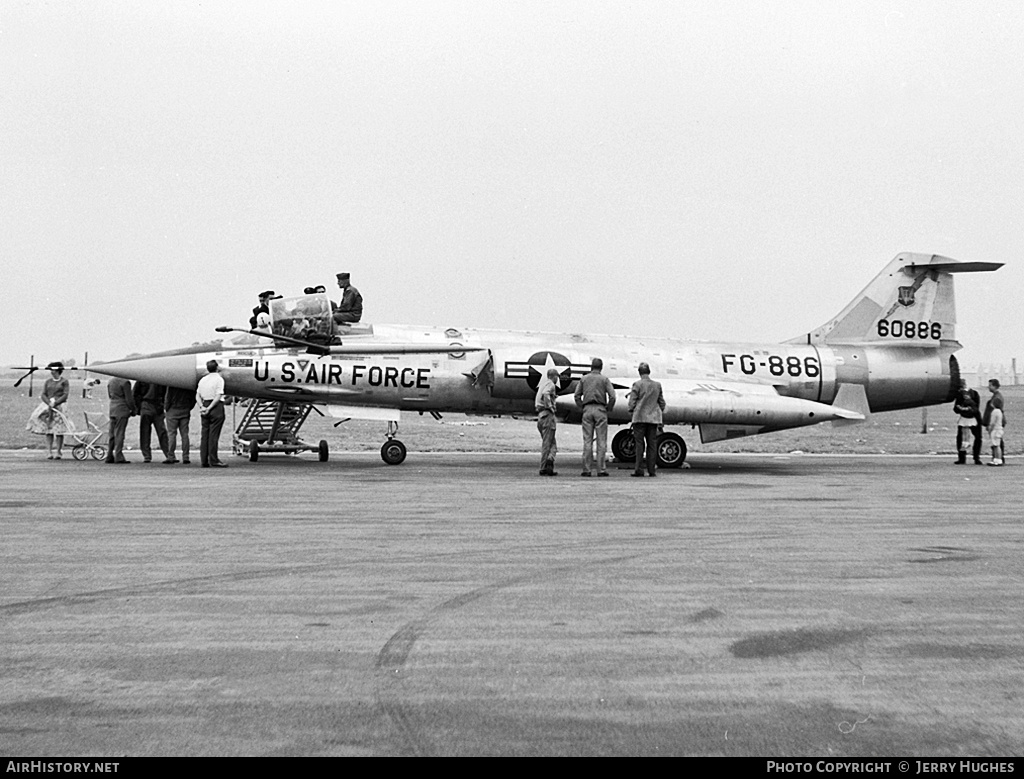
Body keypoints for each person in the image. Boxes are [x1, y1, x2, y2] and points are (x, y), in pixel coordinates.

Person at [574, 357, 616, 476]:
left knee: (587, 441)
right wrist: (609, 408)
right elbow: (612, 396)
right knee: (601, 441)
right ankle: (601, 469)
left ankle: (586, 469)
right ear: (601, 367)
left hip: (587, 409)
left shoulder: (584, 379)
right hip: (600, 409)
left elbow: (577, 395)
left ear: (591, 367)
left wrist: (581, 407)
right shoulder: (604, 379)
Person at [25, 361, 71, 459]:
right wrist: (49, 403)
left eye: (53, 370)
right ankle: (49, 451)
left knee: (59, 431)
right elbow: (43, 394)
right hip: (48, 405)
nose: (51, 372)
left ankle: (58, 451)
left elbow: (65, 394)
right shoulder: (48, 381)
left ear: (58, 371)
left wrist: (56, 402)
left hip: (60, 406)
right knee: (49, 430)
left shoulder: (64, 381)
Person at [627, 362, 666, 477]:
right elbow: (662, 402)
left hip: (639, 418)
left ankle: (639, 470)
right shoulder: (657, 385)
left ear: (639, 372)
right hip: (653, 419)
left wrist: (631, 411)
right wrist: (659, 411)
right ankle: (651, 470)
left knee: (639, 444)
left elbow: (632, 402)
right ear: (649, 372)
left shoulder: (637, 385)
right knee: (652, 444)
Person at [197, 360, 228, 468]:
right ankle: (213, 459)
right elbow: (218, 396)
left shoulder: (203, 380)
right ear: (217, 368)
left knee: (204, 435)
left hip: (204, 404)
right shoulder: (219, 379)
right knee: (213, 435)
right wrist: (210, 408)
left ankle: (204, 460)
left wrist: (202, 407)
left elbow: (197, 395)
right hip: (215, 407)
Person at [133, 381, 170, 463]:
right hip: (155, 406)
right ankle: (168, 453)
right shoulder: (160, 378)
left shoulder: (142, 378)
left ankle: (147, 455)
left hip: (147, 405)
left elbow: (135, 394)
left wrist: (138, 407)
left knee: (145, 432)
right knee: (161, 431)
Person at [105, 377, 137, 463]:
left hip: (112, 407)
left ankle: (109, 454)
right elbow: (129, 399)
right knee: (119, 433)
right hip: (122, 408)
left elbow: (109, 395)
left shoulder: (111, 381)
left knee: (112, 433)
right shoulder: (125, 382)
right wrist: (133, 409)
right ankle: (119, 455)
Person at [535, 367, 560, 476]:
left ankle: (548, 463)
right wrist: (550, 407)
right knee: (549, 444)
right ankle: (546, 465)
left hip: (540, 416)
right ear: (554, 376)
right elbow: (546, 394)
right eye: (557, 377)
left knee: (550, 443)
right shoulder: (550, 385)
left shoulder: (542, 385)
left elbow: (543, 395)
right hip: (547, 416)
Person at [952, 378, 983, 465]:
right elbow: (976, 407)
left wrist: (962, 409)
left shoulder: (959, 395)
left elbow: (956, 409)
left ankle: (962, 457)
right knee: (978, 438)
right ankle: (976, 457)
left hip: (964, 419)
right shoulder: (975, 393)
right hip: (975, 417)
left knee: (960, 438)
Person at [164, 384, 196, 464]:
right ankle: (186, 456)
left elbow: (168, 398)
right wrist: (188, 407)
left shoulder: (172, 384)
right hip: (185, 409)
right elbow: (193, 398)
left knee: (171, 434)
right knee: (184, 434)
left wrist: (166, 408)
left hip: (172, 411)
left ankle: (171, 456)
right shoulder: (188, 384)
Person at [982, 379, 1006, 467]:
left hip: (996, 424)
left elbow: (993, 414)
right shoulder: (996, 396)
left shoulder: (997, 398)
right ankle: (997, 457)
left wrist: (989, 425)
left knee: (997, 442)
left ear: (994, 386)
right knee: (997, 442)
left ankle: (998, 458)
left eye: (990, 385)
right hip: (997, 423)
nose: (988, 387)